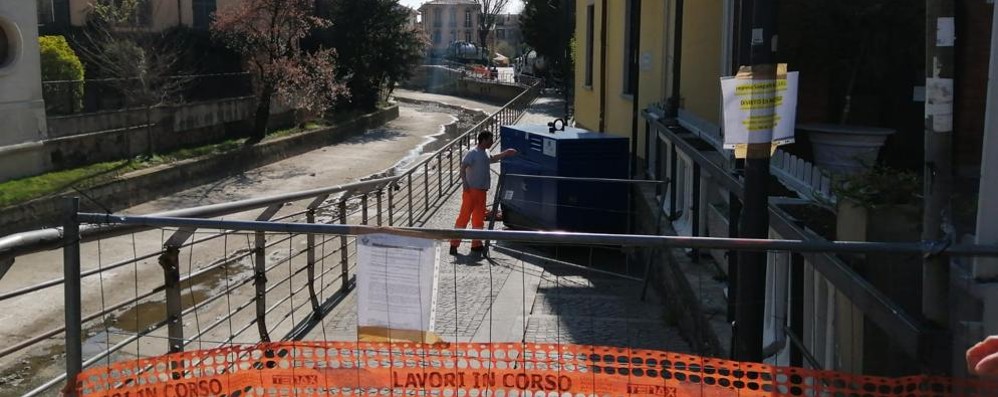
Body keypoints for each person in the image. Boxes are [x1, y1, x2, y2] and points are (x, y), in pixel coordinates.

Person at [450, 130, 517, 255]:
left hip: (482, 191)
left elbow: (492, 158)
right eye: (490, 140)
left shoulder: (486, 152)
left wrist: (506, 153)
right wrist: (464, 183)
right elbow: (463, 167)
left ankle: (476, 244)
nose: (492, 142)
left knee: (478, 218)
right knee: (463, 217)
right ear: (484, 140)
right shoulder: (472, 153)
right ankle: (454, 244)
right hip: (471, 191)